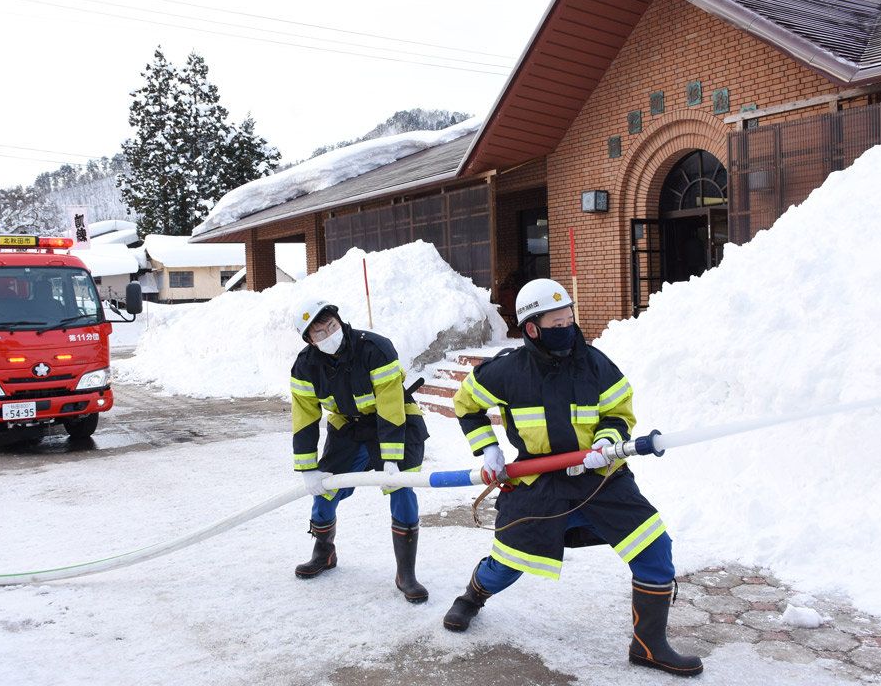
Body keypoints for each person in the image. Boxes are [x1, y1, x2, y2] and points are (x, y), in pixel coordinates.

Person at [442, 278, 703, 677]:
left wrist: (607, 441)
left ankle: (650, 645)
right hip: (538, 482)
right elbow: (466, 404)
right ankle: (472, 597)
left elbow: (619, 412)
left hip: (600, 478)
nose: (568, 326)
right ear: (533, 328)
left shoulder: (596, 363)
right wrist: (488, 449)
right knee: (508, 563)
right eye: (558, 321)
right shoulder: (507, 370)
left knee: (654, 546)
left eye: (570, 318)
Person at [289, 297, 430, 602]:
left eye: (332, 326)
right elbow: (304, 417)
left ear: (339, 321)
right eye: (320, 334)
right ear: (309, 341)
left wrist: (391, 459)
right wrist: (308, 467)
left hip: (394, 423)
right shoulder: (305, 367)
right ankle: (324, 552)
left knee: (402, 489)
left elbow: (391, 405)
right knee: (325, 490)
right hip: (348, 428)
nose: (329, 335)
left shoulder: (375, 348)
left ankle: (406, 573)